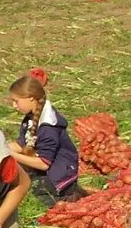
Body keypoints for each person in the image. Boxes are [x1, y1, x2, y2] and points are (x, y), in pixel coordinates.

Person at [6, 71, 83, 200]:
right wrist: (0, 147)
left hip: (58, 179)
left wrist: (12, 155)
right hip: (45, 173)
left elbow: (43, 163)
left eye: (16, 101)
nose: (14, 106)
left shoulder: (48, 126)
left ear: (30, 97)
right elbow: (22, 144)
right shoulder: (31, 117)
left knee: (34, 196)